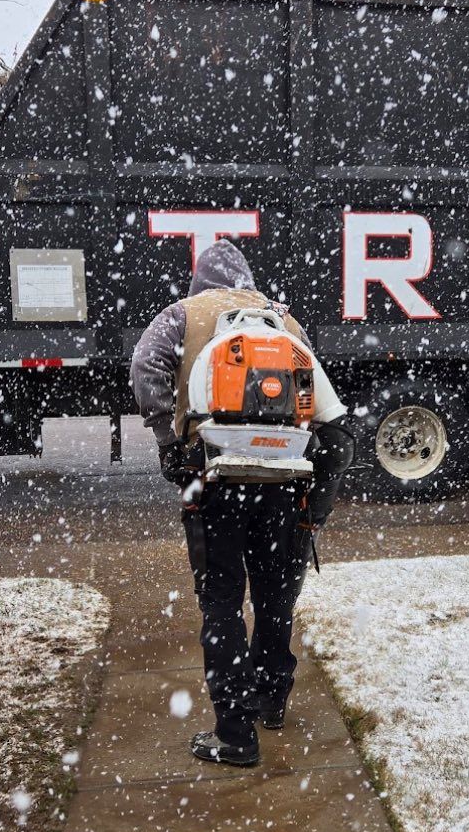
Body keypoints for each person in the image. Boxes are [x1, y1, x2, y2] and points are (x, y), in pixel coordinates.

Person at [131, 241, 355, 767]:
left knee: (222, 603)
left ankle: (234, 733)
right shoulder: (282, 320)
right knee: (275, 598)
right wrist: (317, 498)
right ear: (248, 278)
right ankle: (272, 700)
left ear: (199, 280)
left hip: (213, 480)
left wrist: (168, 438)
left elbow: (146, 369)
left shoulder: (182, 315)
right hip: (283, 481)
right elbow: (330, 417)